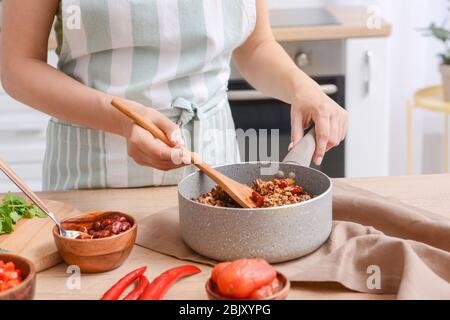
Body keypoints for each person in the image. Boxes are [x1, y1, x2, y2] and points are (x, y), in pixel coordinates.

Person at [1, 0, 347, 190]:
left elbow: (255, 45)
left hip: (214, 173)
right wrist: (120, 118)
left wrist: (303, 87)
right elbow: (17, 65)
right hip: (92, 178)